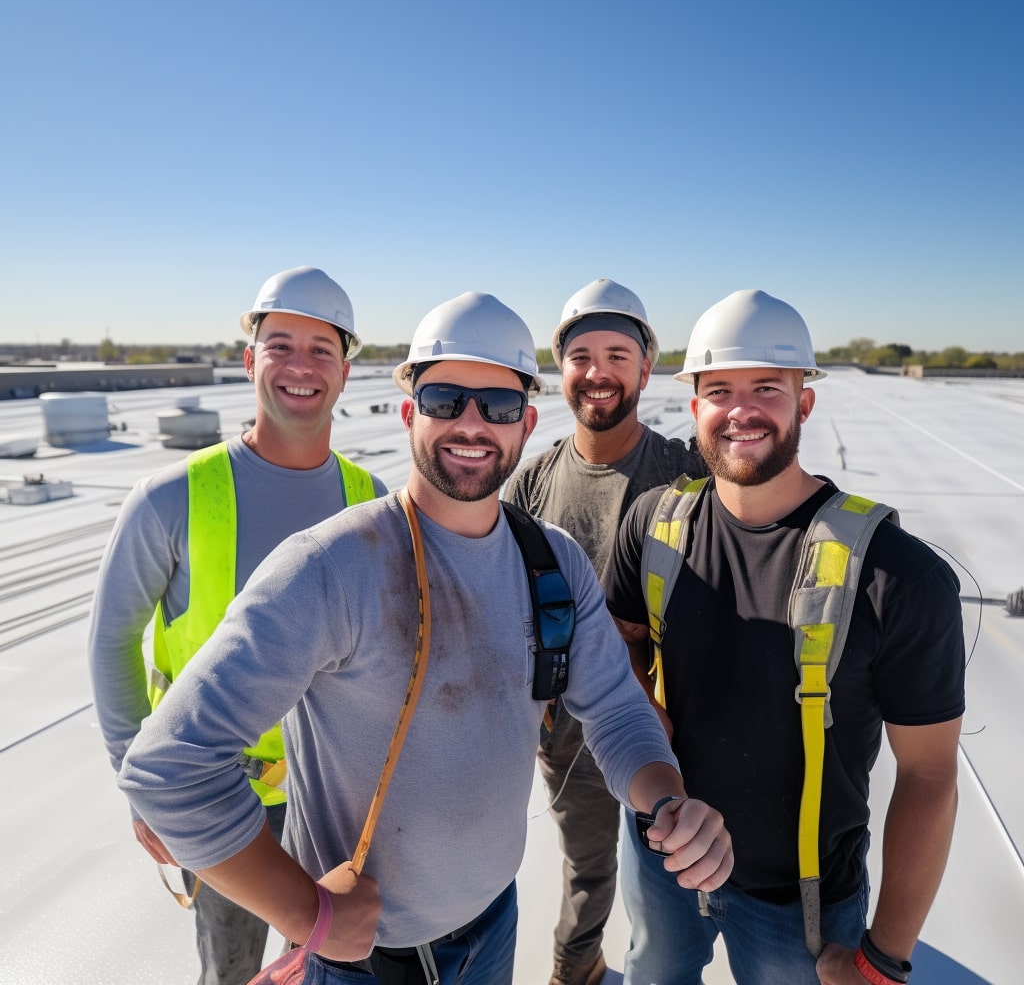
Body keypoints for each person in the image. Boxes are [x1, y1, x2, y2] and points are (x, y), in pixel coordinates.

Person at [115, 290, 734, 985]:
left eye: (497, 407)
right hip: (365, 961)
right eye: (445, 399)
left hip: (493, 927)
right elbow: (168, 768)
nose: (471, 424)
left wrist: (667, 800)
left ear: (526, 424)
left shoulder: (551, 562)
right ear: (410, 411)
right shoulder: (331, 565)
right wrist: (304, 914)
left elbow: (617, 711)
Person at [604, 289, 965, 985]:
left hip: (798, 905)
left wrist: (882, 959)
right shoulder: (654, 524)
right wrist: (636, 699)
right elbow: (622, 638)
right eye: (720, 391)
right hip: (662, 857)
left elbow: (930, 774)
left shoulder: (899, 577)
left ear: (804, 402)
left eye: (766, 388)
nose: (741, 411)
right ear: (695, 406)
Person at [88, 266, 388, 985]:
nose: (300, 367)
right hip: (228, 801)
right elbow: (111, 642)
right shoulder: (171, 498)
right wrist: (144, 785)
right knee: (232, 972)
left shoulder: (369, 499)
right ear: (250, 360)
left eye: (322, 349)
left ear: (345, 372)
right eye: (280, 344)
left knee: (340, 966)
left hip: (341, 800)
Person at [505, 277, 706, 985]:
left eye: (618, 354)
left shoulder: (689, 474)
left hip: (677, 735)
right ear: (560, 370)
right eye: (581, 354)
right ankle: (576, 966)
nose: (598, 372)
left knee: (679, 878)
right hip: (567, 735)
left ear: (646, 368)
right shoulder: (530, 484)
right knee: (587, 868)